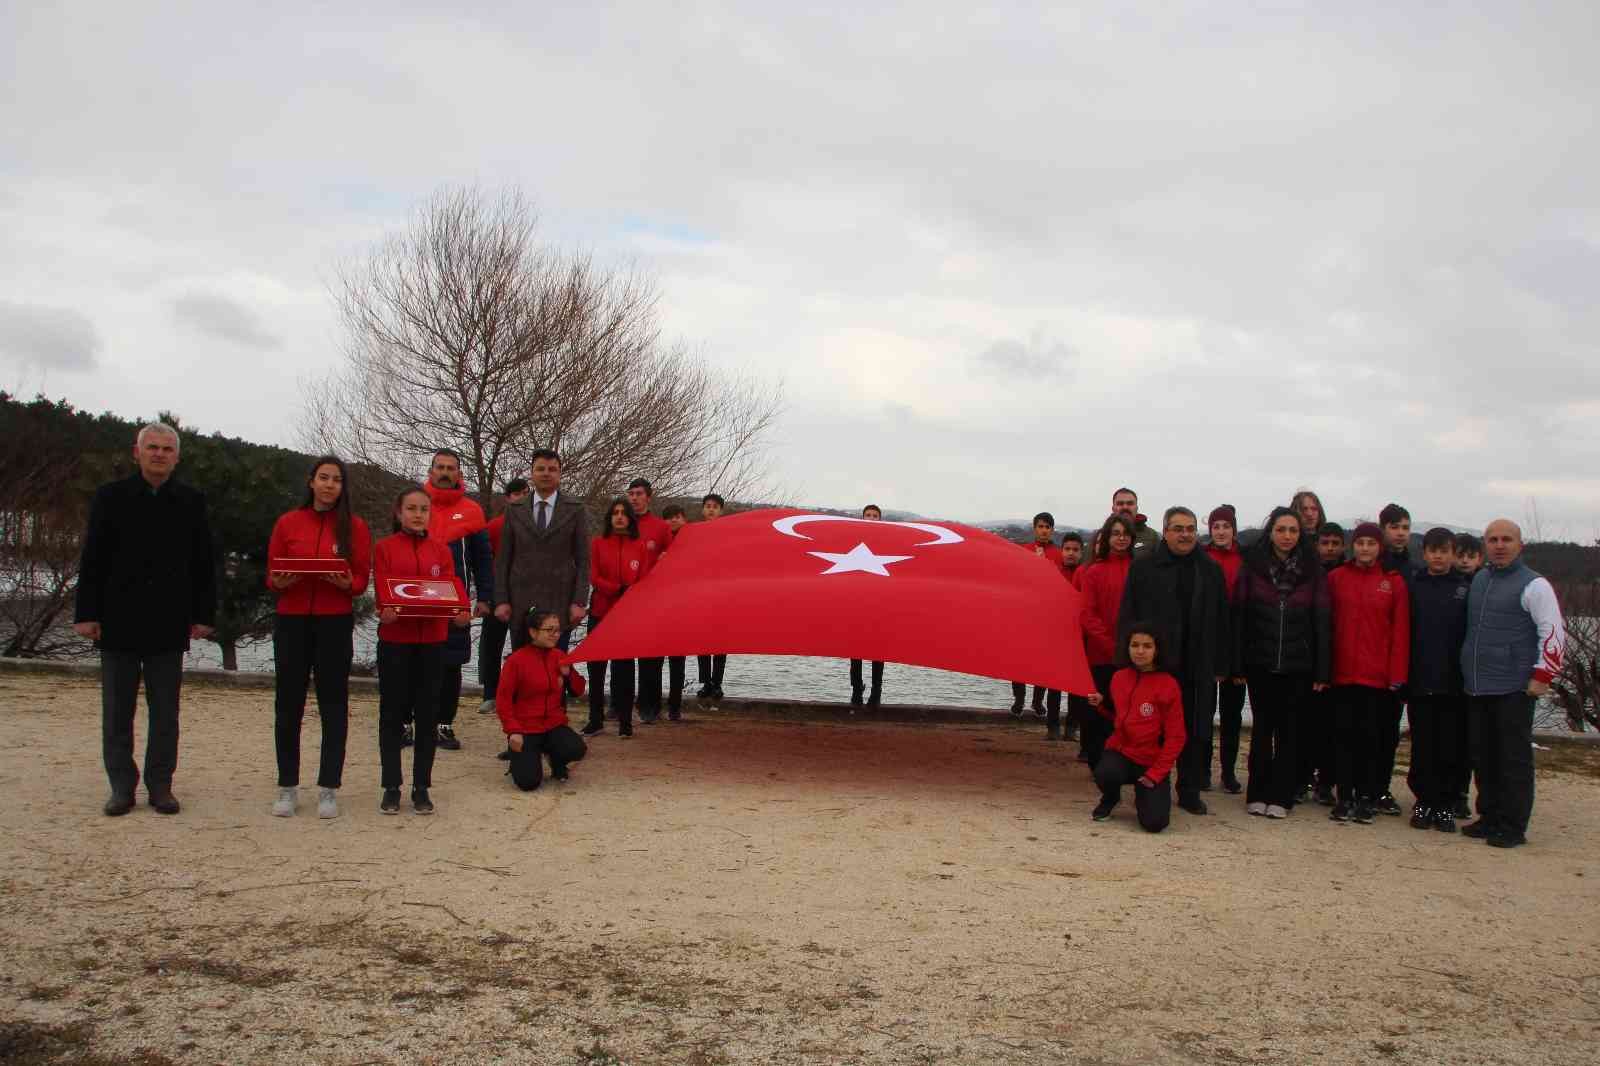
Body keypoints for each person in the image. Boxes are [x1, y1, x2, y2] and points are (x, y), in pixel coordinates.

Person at [73, 422, 216, 817]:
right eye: (151, 448)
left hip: (168, 622)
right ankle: (121, 786)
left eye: (166, 449)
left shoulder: (191, 501)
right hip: (117, 618)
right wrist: (86, 614)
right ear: (137, 453)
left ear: (177, 456)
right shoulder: (110, 497)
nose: (159, 454)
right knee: (117, 710)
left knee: (165, 712)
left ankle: (160, 785)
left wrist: (203, 615)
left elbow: (204, 562)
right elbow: (93, 559)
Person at [265, 455, 372, 820]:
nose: (329, 485)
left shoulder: (355, 526)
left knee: (334, 705)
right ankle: (287, 786)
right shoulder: (288, 522)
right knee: (288, 704)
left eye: (337, 480)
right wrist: (278, 582)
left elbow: (360, 579)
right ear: (311, 482)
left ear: (343, 487)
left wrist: (348, 585)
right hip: (292, 620)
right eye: (323, 478)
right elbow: (272, 572)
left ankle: (329, 787)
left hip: (334, 621)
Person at [1460, 519, 1566, 849]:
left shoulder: (1535, 585)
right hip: (1477, 685)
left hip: (1514, 687)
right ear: (1485, 545)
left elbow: (1552, 632)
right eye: (1493, 539)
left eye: (1507, 539)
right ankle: (1489, 815)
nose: (1499, 545)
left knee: (1513, 758)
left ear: (1520, 544)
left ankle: (1513, 823)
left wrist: (1543, 675)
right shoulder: (1479, 579)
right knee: (1484, 756)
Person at [1117, 507, 1230, 815]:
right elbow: (1128, 615)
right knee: (1153, 729)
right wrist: (1127, 661)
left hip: (1198, 664)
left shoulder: (1210, 569)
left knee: (1196, 730)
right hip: (1157, 666)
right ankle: (1154, 783)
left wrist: (1222, 664)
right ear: (1165, 531)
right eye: (1178, 528)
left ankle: (1190, 789)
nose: (1185, 534)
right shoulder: (1143, 567)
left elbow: (1222, 619)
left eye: (1190, 528)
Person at [373, 486, 471, 815]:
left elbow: (454, 591)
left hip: (432, 644)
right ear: (398, 513)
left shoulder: (441, 551)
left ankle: (421, 787)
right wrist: (385, 611)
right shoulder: (384, 548)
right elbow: (383, 594)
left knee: (428, 716)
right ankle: (391, 785)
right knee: (391, 716)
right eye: (411, 509)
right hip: (395, 643)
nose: (418, 515)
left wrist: (460, 612)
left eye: (424, 509)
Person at [1231, 508, 1332, 819]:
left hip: (1298, 665)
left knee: (1290, 734)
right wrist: (1236, 663)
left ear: (1300, 534)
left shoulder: (1313, 571)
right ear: (1270, 532)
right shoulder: (1253, 567)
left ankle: (1282, 795)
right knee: (1262, 731)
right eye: (1281, 530)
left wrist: (1322, 669)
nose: (1287, 536)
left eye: (1293, 530)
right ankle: (1257, 793)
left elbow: (1322, 622)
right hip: (1260, 662)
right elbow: (1239, 617)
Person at [1326, 522, 1409, 824]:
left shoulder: (1393, 582)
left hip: (1377, 678)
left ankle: (1366, 796)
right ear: (1353, 546)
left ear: (1379, 547)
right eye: (1360, 543)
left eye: (1370, 544)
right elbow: (1326, 625)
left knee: (1370, 740)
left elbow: (1400, 632)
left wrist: (1397, 675)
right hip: (1342, 674)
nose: (1364, 548)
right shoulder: (1336, 578)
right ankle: (1343, 796)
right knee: (1343, 738)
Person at [420, 450, 493, 753]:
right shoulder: (415, 504)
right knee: (415, 662)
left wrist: (486, 597)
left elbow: (483, 560)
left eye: (451, 468)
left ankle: (443, 724)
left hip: (455, 599)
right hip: (418, 596)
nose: (445, 472)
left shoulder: (472, 511)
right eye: (440, 467)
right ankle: (411, 721)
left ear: (459, 474)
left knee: (451, 665)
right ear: (431, 470)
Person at [1087, 624, 1185, 833]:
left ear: (1157, 650)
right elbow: (1118, 716)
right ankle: (1111, 797)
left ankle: (1144, 790)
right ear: (1128, 647)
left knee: (1155, 824)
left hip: (1151, 761)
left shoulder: (1168, 684)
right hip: (1122, 752)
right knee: (1104, 772)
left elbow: (1176, 737)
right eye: (1135, 645)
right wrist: (1102, 704)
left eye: (1147, 646)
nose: (1140, 651)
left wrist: (1156, 774)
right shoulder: (1119, 678)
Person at [1406, 528, 1470, 833]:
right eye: (1433, 550)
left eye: (1445, 550)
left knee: (1450, 746)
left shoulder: (1465, 587)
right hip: (1420, 678)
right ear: (1425, 553)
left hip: (1454, 682)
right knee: (1422, 745)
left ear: (1453, 553)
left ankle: (1445, 804)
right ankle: (1423, 800)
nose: (1439, 556)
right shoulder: (1414, 585)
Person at [493, 448, 590, 649]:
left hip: (560, 603)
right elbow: (503, 559)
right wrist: (501, 600)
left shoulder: (575, 509)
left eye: (552, 469)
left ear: (559, 474)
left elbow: (583, 560)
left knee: (556, 671)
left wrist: (579, 602)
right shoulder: (515, 509)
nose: (546, 473)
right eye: (541, 469)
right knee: (523, 667)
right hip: (521, 603)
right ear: (532, 473)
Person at [498, 608, 589, 790]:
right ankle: (518, 756)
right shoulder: (516, 661)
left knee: (576, 749)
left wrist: (569, 673)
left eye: (557, 630)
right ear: (533, 632)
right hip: (526, 728)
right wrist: (513, 730)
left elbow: (579, 691)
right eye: (549, 630)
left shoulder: (560, 657)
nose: (555, 635)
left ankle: (555, 760)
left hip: (553, 725)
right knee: (528, 783)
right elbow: (503, 701)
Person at [583, 500, 651, 738]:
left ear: (631, 518)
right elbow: (593, 575)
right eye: (615, 513)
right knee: (596, 669)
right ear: (610, 518)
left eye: (624, 513)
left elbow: (643, 579)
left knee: (624, 670)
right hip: (601, 611)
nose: (619, 517)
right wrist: (614, 588)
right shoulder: (598, 543)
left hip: (626, 616)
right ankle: (595, 719)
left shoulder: (640, 546)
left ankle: (625, 722)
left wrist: (629, 592)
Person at [1075, 514, 1138, 766]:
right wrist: (1113, 648)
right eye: (1115, 533)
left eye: (1125, 533)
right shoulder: (1094, 572)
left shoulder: (1141, 569)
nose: (1120, 538)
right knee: (1098, 713)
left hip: (1134, 655)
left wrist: (1134, 648)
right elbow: (1087, 615)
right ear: (1107, 537)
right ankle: (1096, 761)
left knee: (1127, 711)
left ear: (1131, 538)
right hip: (1102, 656)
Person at [1204, 505, 1247, 794]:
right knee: (1204, 715)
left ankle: (1228, 772)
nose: (1221, 531)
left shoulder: (1246, 560)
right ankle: (1203, 770)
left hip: (1237, 646)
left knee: (1232, 716)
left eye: (1226, 526)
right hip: (1208, 646)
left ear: (1233, 529)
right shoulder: (1202, 557)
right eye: (1216, 526)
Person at [478, 477, 529, 716]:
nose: (521, 498)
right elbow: (483, 564)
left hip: (525, 596)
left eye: (526, 494)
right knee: (491, 645)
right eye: (517, 494)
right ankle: (490, 693)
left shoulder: (536, 528)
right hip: (498, 594)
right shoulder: (494, 526)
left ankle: (519, 695)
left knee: (522, 648)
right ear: (508, 498)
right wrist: (486, 595)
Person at [626, 478, 675, 724]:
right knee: (621, 655)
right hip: (623, 597)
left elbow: (674, 557)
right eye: (631, 493)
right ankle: (619, 704)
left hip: (652, 600)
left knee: (651, 657)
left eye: (639, 493)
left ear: (649, 497)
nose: (634, 498)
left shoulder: (659, 527)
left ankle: (650, 707)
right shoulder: (620, 523)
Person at [1448, 530, 1486, 817]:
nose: (1464, 561)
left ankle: (1460, 793)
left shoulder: (1484, 586)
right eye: (1459, 555)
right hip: (1444, 670)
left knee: (1466, 741)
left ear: (1479, 559)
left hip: (1473, 673)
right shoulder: (1443, 584)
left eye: (1470, 556)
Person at [1011, 512, 1063, 720]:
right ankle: (1019, 700)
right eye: (1040, 526)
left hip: (1048, 617)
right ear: (1034, 528)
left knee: (1043, 662)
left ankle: (1037, 701)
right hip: (1025, 615)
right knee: (1019, 661)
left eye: (1047, 527)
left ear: (1052, 530)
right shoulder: (1022, 551)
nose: (1044, 530)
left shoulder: (1060, 554)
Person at [849, 504, 887, 707]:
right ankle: (856, 690)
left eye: (875, 516)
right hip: (857, 605)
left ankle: (876, 691)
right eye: (868, 515)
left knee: (877, 652)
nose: (871, 518)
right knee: (855, 652)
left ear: (880, 519)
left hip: (879, 606)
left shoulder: (886, 542)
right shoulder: (853, 539)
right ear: (862, 517)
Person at [695, 493, 729, 701]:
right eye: (707, 506)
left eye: (714, 507)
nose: (710, 510)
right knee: (702, 642)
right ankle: (705, 682)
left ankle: (717, 683)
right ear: (702, 509)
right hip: (701, 595)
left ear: (720, 511)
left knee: (720, 643)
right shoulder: (695, 533)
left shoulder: (728, 534)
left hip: (723, 596)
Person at [1056, 530, 1087, 742]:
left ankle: (1071, 727)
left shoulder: (1087, 573)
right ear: (1061, 551)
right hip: (1059, 633)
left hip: (1080, 636)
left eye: (1075, 550)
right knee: (1054, 685)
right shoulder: (1054, 572)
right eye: (1067, 549)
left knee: (1077, 687)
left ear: (1082, 552)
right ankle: (1051, 726)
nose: (1071, 553)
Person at [661, 503, 691, 716]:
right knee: (653, 659)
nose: (673, 520)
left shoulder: (693, 540)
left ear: (684, 519)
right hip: (661, 606)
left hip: (683, 608)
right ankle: (650, 704)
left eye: (677, 517)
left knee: (677, 660)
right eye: (669, 517)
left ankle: (675, 705)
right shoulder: (661, 541)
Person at [1111, 487, 1159, 553]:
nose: (1125, 507)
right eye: (1120, 503)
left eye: (1130, 503)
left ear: (1136, 508)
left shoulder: (1152, 536)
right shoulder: (1102, 536)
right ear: (1113, 508)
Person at [1291, 489, 1328, 556]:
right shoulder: (1288, 543)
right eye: (1304, 509)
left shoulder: (1329, 542)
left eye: (1314, 509)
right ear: (1294, 512)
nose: (1309, 514)